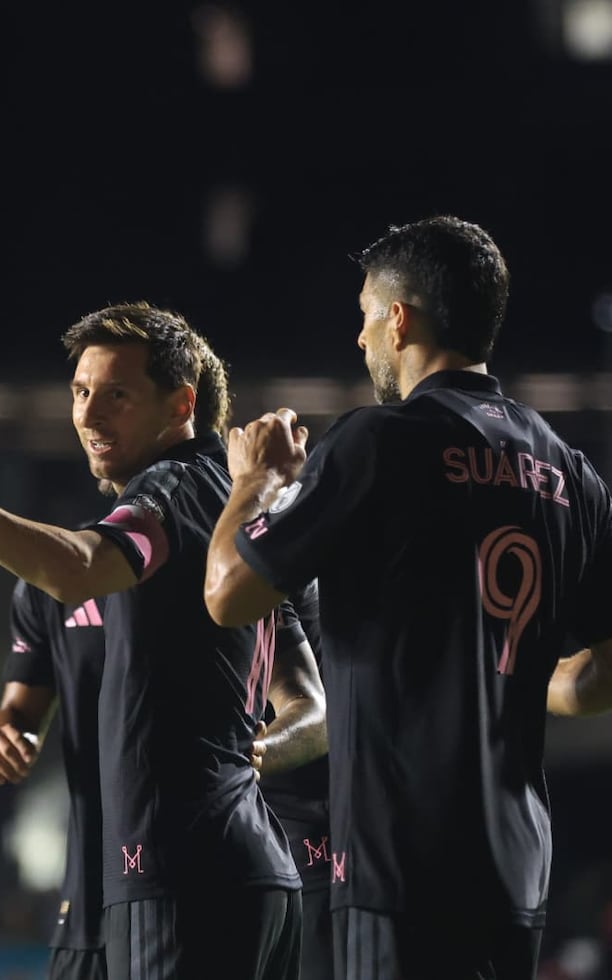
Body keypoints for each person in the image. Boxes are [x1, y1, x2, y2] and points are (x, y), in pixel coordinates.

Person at [204, 214, 612, 980]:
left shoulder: (379, 443)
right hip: (517, 869)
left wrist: (252, 482)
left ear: (400, 318)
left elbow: (229, 594)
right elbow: (602, 673)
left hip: (397, 868)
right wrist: (515, 681)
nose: (361, 340)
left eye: (365, 316)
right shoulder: (569, 473)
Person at [0, 301, 312, 980]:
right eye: (81, 392)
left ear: (180, 405)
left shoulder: (171, 491)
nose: (88, 414)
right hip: (236, 869)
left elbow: (78, 567)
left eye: (117, 394)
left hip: (175, 871)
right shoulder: (233, 509)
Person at [0, 579, 108, 980]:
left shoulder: (207, 560)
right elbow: (17, 711)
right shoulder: (52, 585)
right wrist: (0, 738)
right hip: (89, 879)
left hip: (193, 863)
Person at [257, 580, 333, 980]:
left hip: (316, 839)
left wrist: (248, 755)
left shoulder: (273, 558)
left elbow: (313, 715)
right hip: (253, 843)